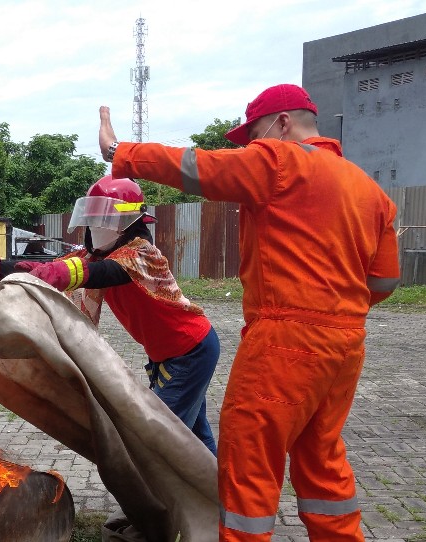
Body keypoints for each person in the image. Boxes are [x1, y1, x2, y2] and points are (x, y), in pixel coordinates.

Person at [98, 84, 400, 541]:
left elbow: (196, 167)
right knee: (322, 458)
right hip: (346, 343)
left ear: (283, 123)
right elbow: (384, 282)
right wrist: (335, 308)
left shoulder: (279, 162)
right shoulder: (372, 192)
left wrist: (119, 151)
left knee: (250, 461)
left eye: (254, 135)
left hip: (285, 342)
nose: (252, 147)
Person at [0, 175, 221, 455]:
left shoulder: (143, 255)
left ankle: (172, 492)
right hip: (171, 354)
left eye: (104, 219)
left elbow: (98, 274)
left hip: (190, 351)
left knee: (158, 442)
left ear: (129, 222)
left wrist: (56, 274)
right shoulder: (97, 255)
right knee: (196, 436)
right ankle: (218, 486)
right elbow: (33, 267)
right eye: (92, 219)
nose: (96, 227)